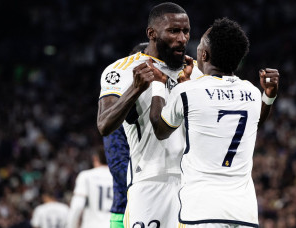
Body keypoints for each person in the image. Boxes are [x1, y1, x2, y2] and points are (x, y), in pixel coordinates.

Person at [149, 18, 279, 227]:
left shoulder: (187, 92)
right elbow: (254, 125)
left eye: (199, 44)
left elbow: (160, 129)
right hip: (243, 212)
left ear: (204, 55)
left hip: (203, 210)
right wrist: (269, 97)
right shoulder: (252, 92)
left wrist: (158, 84)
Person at [96, 2, 203, 228]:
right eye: (174, 31)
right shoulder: (121, 70)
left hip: (192, 187)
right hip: (149, 184)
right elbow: (104, 125)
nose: (182, 39)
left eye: (185, 31)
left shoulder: (195, 73)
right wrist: (135, 89)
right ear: (152, 34)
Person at [102, 42, 148, 228]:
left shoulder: (163, 106)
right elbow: (118, 164)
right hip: (126, 210)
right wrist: (148, 192)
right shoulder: (120, 112)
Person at [66, 149, 113, 228]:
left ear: (95, 158)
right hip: (113, 225)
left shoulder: (86, 176)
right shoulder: (119, 177)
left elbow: (77, 206)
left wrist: (71, 226)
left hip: (91, 225)